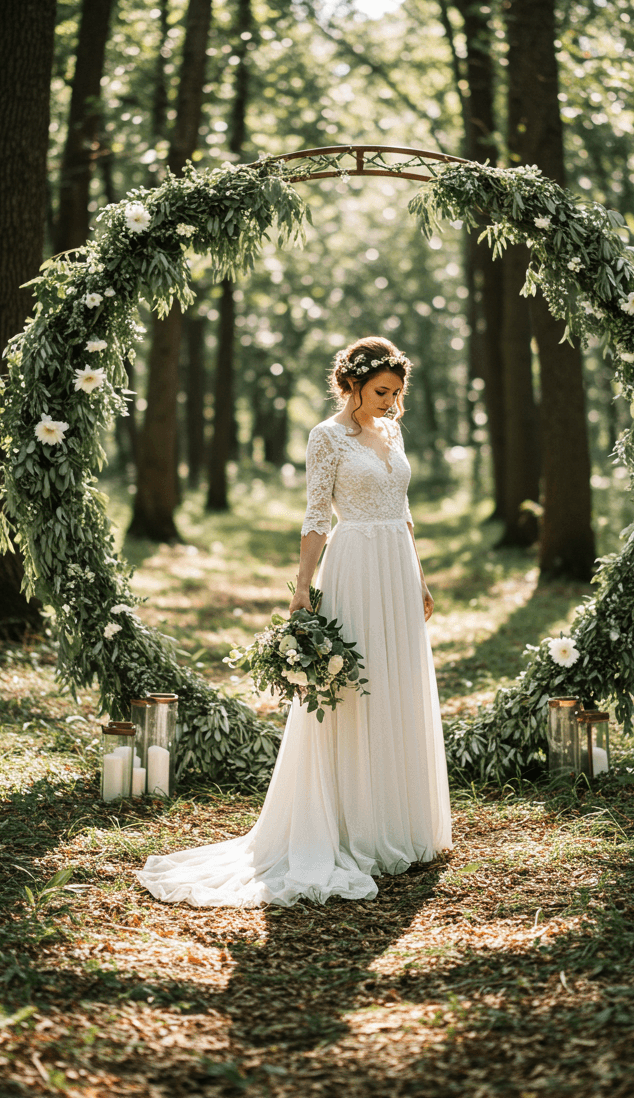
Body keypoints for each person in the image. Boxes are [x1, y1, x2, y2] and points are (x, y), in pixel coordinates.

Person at [137, 336, 452, 907]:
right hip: (354, 566)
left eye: (398, 393)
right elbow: (315, 516)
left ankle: (396, 821)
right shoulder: (325, 438)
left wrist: (421, 577)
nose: (390, 403)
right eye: (382, 392)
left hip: (397, 570)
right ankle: (349, 826)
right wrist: (303, 589)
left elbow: (403, 511)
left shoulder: (393, 432)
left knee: (397, 685)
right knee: (355, 688)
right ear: (351, 385)